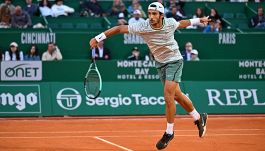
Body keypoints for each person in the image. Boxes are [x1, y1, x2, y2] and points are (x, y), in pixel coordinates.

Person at [89, 2, 209, 150]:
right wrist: (98, 37)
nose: (151, 16)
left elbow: (183, 23)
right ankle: (199, 117)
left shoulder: (170, 23)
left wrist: (199, 20)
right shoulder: (143, 26)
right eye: (150, 13)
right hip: (160, 63)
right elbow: (120, 28)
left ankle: (169, 132)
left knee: (168, 95)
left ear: (161, 15)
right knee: (177, 95)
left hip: (175, 61)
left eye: (154, 14)